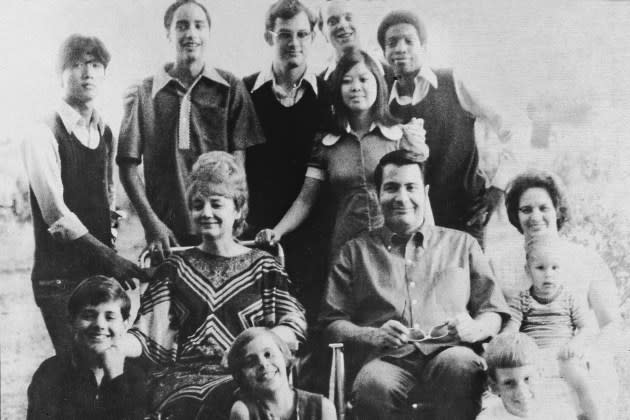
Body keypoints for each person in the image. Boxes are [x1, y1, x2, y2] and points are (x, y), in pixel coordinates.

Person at [319, 149, 510, 420]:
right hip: (386, 359)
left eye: (411, 187)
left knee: (463, 367)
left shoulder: (462, 244)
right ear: (377, 194)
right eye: (391, 188)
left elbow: (493, 311)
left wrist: (476, 328)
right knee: (372, 386)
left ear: (425, 192)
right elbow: (332, 324)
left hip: (450, 351)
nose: (402, 197)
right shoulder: (354, 252)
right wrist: (372, 335)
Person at [119, 152, 307, 420]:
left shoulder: (264, 266)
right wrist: (115, 342)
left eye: (216, 204)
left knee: (241, 405)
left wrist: (251, 346)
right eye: (198, 205)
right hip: (185, 382)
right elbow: (147, 335)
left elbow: (293, 325)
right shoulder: (176, 268)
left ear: (238, 209)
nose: (206, 213)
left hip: (250, 377)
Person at [21, 34, 146, 356]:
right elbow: (57, 216)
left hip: (98, 275)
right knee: (74, 373)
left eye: (94, 64)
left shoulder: (104, 131)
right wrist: (110, 257)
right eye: (75, 64)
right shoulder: (43, 132)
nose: (86, 72)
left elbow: (107, 201)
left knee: (104, 367)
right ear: (59, 75)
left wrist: (112, 249)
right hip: (58, 280)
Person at [117, 0, 265, 261]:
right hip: (168, 235)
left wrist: (234, 221)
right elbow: (127, 167)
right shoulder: (146, 92)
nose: (191, 34)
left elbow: (239, 164)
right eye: (182, 26)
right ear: (168, 33)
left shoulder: (230, 86)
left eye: (199, 26)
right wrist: (153, 225)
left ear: (208, 33)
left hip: (219, 230)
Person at [256, 49, 428, 262]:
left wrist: (429, 241)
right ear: (338, 90)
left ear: (378, 84)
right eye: (347, 81)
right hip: (347, 247)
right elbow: (305, 200)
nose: (356, 87)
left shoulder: (400, 136)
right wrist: (278, 231)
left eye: (364, 79)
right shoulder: (327, 143)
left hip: (396, 245)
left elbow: (421, 197)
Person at [377, 10, 526, 246]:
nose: (400, 48)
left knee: (466, 281)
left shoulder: (452, 81)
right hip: (412, 223)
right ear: (384, 52)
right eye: (392, 43)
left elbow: (514, 128)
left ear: (423, 47)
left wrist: (497, 188)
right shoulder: (385, 101)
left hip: (465, 216)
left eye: (409, 41)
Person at [491, 170, 621, 417]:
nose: (535, 216)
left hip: (573, 356)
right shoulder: (502, 263)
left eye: (544, 208)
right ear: (515, 215)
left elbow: (611, 323)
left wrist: (587, 352)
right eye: (526, 210)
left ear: (557, 210)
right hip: (526, 363)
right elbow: (503, 325)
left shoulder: (585, 258)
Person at [243, 0, 333, 322]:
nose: (293, 43)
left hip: (315, 228)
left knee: (308, 321)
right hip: (257, 228)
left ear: (313, 39)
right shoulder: (245, 91)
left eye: (302, 34)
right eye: (284, 34)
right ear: (269, 37)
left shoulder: (327, 93)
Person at [503, 235, 600, 419]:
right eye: (540, 268)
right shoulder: (522, 300)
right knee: (530, 388)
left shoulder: (569, 298)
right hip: (533, 356)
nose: (548, 274)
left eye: (555, 268)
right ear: (528, 270)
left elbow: (587, 328)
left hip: (563, 355)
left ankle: (591, 415)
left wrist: (575, 344)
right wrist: (512, 345)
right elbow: (511, 331)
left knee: (580, 379)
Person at [27, 276, 147, 420]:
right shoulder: (50, 373)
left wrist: (116, 378)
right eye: (89, 316)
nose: (100, 324)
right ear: (71, 322)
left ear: (125, 324)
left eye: (110, 317)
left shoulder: (135, 376)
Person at [226, 327, 337, 420]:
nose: (263, 364)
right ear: (241, 375)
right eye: (251, 361)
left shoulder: (323, 408)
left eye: (268, 354)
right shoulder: (244, 412)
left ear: (284, 357)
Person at [479, 333, 575, 420]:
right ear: (494, 387)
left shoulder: (560, 413)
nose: (521, 391)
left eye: (527, 379)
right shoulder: (488, 417)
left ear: (541, 375)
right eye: (509, 383)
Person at [317, 0, 384, 81]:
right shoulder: (319, 85)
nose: (342, 25)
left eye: (349, 18)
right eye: (333, 22)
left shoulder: (393, 74)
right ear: (322, 31)